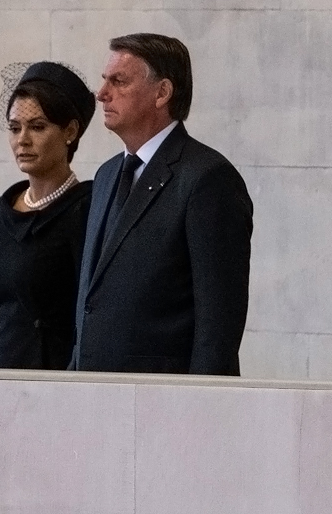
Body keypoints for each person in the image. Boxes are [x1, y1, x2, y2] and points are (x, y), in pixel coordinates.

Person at [70, 33, 253, 375]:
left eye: (118, 81)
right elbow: (91, 303)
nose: (101, 94)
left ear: (162, 93)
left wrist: (202, 405)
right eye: (104, 80)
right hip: (92, 397)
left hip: (164, 404)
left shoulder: (208, 179)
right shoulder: (107, 175)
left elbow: (218, 326)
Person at [0, 61, 96, 369]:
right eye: (14, 128)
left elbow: (90, 318)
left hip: (56, 384)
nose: (22, 139)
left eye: (37, 127)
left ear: (70, 131)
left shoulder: (88, 208)